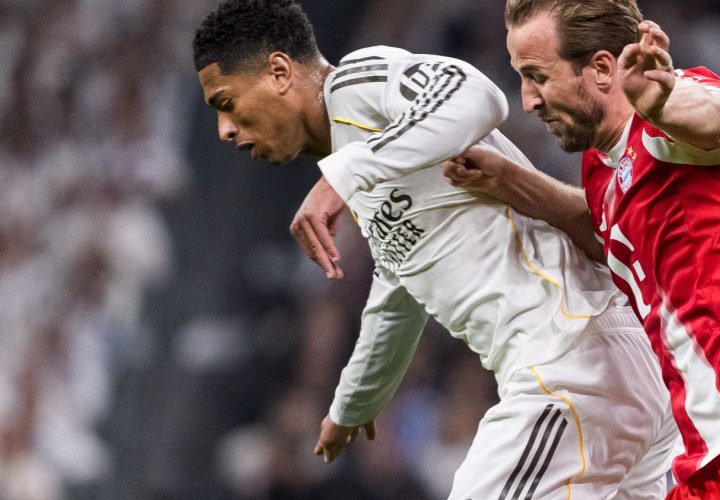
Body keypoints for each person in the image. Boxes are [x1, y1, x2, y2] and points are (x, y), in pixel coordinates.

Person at [192, 1, 678, 499]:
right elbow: (398, 297)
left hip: (572, 364)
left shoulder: (356, 84)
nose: (225, 131)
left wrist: (339, 177)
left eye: (227, 104)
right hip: (604, 372)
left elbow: (479, 96)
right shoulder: (373, 165)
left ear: (278, 72)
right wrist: (351, 408)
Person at [438, 1, 720, 497]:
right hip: (718, 464)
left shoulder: (683, 113)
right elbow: (608, 234)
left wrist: (663, 100)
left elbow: (716, 124)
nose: (527, 100)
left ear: (603, 69)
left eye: (538, 76)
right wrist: (510, 181)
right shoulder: (603, 167)